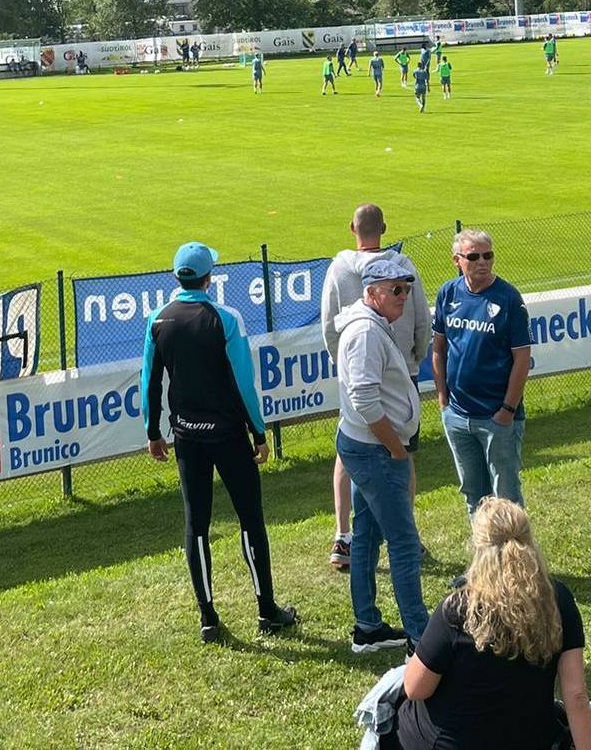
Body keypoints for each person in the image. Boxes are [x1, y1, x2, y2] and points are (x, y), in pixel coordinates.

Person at [141, 242, 298, 643]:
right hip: (228, 435)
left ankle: (208, 619)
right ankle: (267, 611)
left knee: (196, 525)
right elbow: (244, 381)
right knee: (250, 520)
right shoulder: (225, 317)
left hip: (187, 437)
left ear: (176, 276)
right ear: (209, 276)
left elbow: (150, 381)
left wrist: (152, 431)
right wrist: (259, 432)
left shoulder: (158, 320)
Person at [399, 498, 591, 750]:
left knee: (397, 708)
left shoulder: (457, 608)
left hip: (452, 742)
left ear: (478, 547)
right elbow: (577, 697)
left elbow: (415, 688)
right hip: (532, 740)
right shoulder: (558, 601)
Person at [321, 204, 432, 572]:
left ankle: (343, 536)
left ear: (351, 227)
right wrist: (414, 357)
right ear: (384, 227)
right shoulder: (403, 265)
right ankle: (407, 534)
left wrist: (345, 365)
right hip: (399, 372)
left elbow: (328, 325)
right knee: (402, 451)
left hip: (357, 374)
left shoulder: (337, 268)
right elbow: (422, 319)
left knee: (350, 450)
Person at [335, 256, 430, 652]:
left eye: (406, 288)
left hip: (369, 446)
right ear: (371, 293)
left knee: (368, 534)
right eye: (395, 289)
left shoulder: (374, 325)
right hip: (376, 450)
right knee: (404, 543)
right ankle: (422, 639)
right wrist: (396, 449)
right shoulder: (367, 333)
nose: (403, 297)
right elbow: (364, 399)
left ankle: (368, 627)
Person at [432, 230, 532, 511]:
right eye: (473, 256)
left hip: (496, 418)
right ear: (457, 260)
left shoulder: (508, 298)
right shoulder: (448, 293)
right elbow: (438, 348)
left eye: (487, 255)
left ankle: (515, 555)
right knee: (473, 496)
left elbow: (522, 358)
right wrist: (443, 399)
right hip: (457, 415)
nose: (482, 262)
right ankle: (485, 554)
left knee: (507, 499)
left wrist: (507, 410)